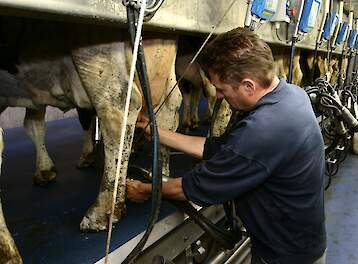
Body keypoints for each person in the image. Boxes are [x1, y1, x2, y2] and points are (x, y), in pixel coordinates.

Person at [126, 27, 326, 264]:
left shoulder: (262, 130)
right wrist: (159, 133)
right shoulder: (291, 94)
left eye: (222, 89)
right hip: (301, 242)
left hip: (284, 256)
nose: (219, 96)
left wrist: (145, 190)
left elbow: (192, 187)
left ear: (248, 86)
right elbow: (219, 147)